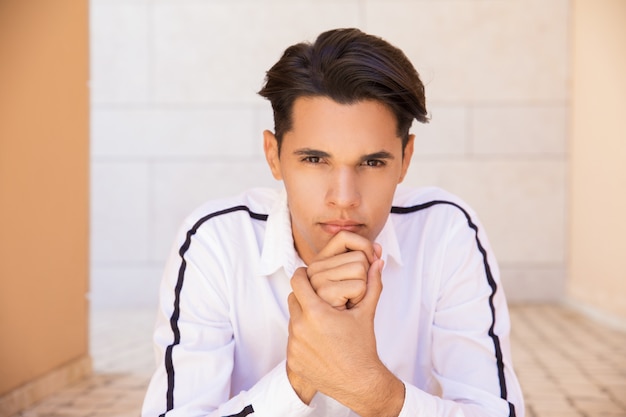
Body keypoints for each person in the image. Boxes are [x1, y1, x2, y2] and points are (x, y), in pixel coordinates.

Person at [142, 28, 525, 417]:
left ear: (405, 159)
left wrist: (376, 393)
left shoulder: (445, 233)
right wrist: (300, 378)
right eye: (314, 160)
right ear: (273, 155)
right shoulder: (216, 243)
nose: (344, 197)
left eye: (372, 162)